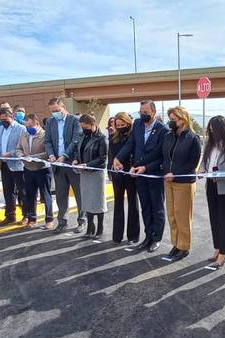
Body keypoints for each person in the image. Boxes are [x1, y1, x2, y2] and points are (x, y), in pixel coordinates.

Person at [113, 99, 169, 253]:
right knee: (145, 207)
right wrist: (118, 158)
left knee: (156, 208)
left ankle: (156, 238)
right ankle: (148, 237)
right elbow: (130, 144)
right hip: (139, 175)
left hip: (153, 175)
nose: (143, 115)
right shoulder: (137, 124)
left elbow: (162, 156)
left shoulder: (163, 130)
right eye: (141, 112)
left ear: (153, 112)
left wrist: (146, 167)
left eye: (146, 112)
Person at [199, 115, 225, 270]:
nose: (212, 133)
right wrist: (202, 170)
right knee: (214, 219)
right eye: (210, 130)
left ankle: (224, 253)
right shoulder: (209, 144)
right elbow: (204, 162)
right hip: (210, 185)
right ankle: (217, 248)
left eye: (214, 130)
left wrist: (220, 176)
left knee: (224, 221)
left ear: (222, 130)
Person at [160, 106, 201, 261]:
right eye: (170, 119)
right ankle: (176, 244)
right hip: (168, 181)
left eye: (173, 119)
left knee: (182, 216)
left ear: (183, 119)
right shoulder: (169, 136)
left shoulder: (192, 138)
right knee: (171, 215)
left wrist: (175, 173)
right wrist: (165, 172)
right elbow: (165, 158)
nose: (171, 122)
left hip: (184, 182)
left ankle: (184, 247)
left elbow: (193, 162)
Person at [44, 97, 85, 233]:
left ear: (63, 107)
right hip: (57, 164)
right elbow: (48, 141)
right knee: (61, 195)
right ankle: (62, 222)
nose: (54, 113)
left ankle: (82, 220)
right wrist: (51, 155)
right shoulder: (50, 122)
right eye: (52, 111)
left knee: (79, 194)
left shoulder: (74, 120)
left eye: (56, 110)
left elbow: (75, 140)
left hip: (72, 162)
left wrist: (64, 156)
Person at [72, 114, 108, 240]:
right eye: (82, 127)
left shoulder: (101, 138)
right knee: (87, 201)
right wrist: (76, 160)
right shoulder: (83, 136)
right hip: (84, 173)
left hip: (96, 174)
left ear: (93, 125)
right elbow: (78, 151)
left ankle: (100, 228)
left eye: (86, 127)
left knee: (98, 202)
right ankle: (90, 227)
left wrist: (87, 164)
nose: (84, 129)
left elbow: (102, 159)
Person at [16, 113, 54, 229]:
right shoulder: (24, 134)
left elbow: (48, 152)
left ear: (36, 123)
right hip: (28, 169)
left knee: (46, 195)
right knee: (30, 195)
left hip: (42, 169)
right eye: (26, 126)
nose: (28, 128)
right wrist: (21, 155)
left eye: (30, 126)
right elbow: (18, 148)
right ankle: (32, 218)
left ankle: (49, 219)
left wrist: (35, 157)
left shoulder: (45, 135)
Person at [107, 112, 140, 245]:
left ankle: (133, 235)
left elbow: (136, 154)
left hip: (131, 174)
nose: (120, 127)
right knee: (118, 203)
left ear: (128, 123)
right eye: (118, 125)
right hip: (118, 175)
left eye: (123, 124)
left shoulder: (134, 137)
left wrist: (131, 166)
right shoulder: (112, 138)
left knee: (133, 203)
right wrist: (113, 169)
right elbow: (111, 156)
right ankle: (117, 235)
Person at [0, 108, 26, 227]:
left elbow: (23, 146)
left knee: (22, 191)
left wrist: (11, 153)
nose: (3, 122)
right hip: (4, 164)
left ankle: (26, 215)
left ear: (11, 116)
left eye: (5, 119)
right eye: (1, 120)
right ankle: (10, 215)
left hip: (17, 164)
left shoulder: (21, 128)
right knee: (8, 191)